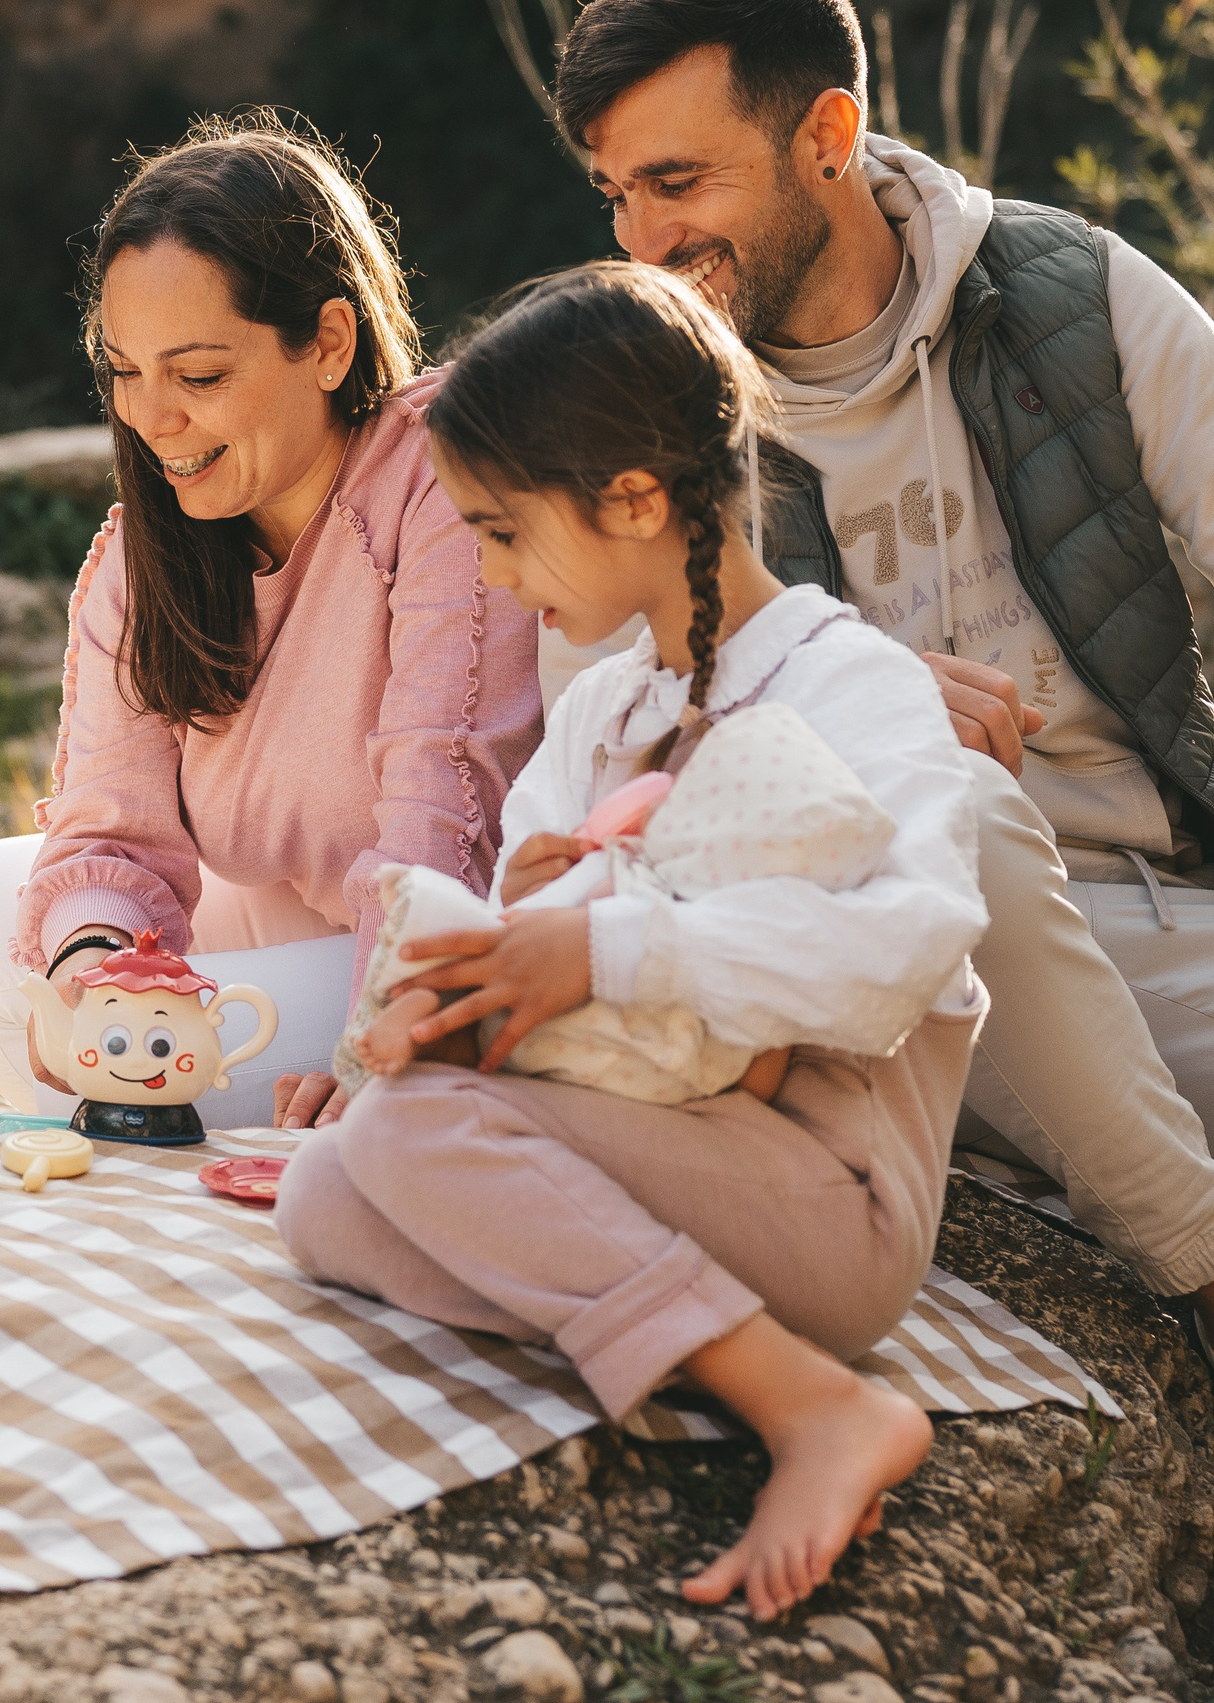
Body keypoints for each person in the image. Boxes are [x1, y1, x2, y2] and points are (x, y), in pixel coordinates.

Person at [278, 262, 986, 1619]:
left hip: (828, 1184)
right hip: (669, 1134)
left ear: (638, 500)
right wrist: (505, 941)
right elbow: (548, 983)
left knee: (412, 1140)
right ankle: (693, 1324)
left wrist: (603, 945)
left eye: (502, 533)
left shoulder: (852, 680)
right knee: (330, 1188)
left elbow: (914, 941)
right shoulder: (602, 709)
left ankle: (817, 1400)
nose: (491, 573)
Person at [549, 0, 1214, 1346]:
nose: (641, 240)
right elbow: (606, 760)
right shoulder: (621, 403)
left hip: (1165, 916)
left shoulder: (1073, 296)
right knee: (959, 828)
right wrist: (857, 688)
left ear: (828, 137)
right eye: (618, 193)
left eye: (678, 183)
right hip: (888, 957)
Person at [0, 112, 542, 1132]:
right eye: (123, 371)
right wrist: (91, 972)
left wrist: (378, 1040)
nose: (152, 419)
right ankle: (142, 1126)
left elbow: (442, 814)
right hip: (276, 936)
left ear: (327, 343)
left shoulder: (441, 475)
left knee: (171, 1053)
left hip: (441, 949)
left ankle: (169, 1128)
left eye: (198, 377)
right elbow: (108, 829)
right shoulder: (137, 553)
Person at [344, 700, 894, 1104]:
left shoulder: (653, 877)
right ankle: (427, 1021)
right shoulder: (635, 867)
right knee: (483, 1012)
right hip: (630, 1055)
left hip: (591, 1058)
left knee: (487, 1040)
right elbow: (762, 1071)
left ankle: (432, 1024)